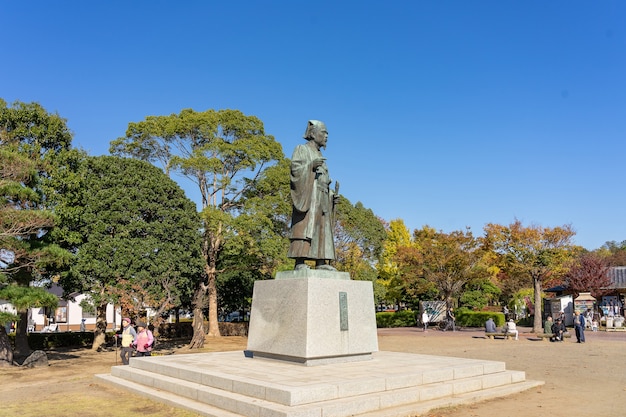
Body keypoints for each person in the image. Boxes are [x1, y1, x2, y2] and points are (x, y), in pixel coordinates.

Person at [287, 120, 339, 271]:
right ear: (313, 133)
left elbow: (323, 180)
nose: (326, 136)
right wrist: (310, 166)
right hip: (309, 194)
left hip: (322, 197)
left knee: (321, 228)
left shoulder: (320, 155)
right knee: (306, 226)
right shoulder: (302, 149)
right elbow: (295, 170)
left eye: (327, 133)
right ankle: (300, 261)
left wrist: (331, 195)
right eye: (324, 132)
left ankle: (321, 262)